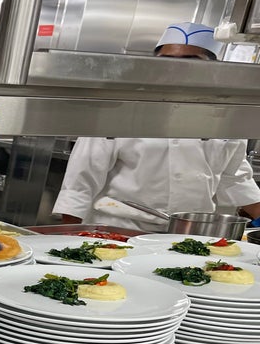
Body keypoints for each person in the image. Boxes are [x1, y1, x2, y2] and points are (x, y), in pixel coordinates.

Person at [52, 22, 260, 232]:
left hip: (189, 232)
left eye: (191, 61)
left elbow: (233, 177)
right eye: (166, 61)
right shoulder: (120, 109)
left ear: (213, 66)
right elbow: (81, 180)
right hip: (119, 229)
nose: (175, 69)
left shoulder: (225, 115)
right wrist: (72, 235)